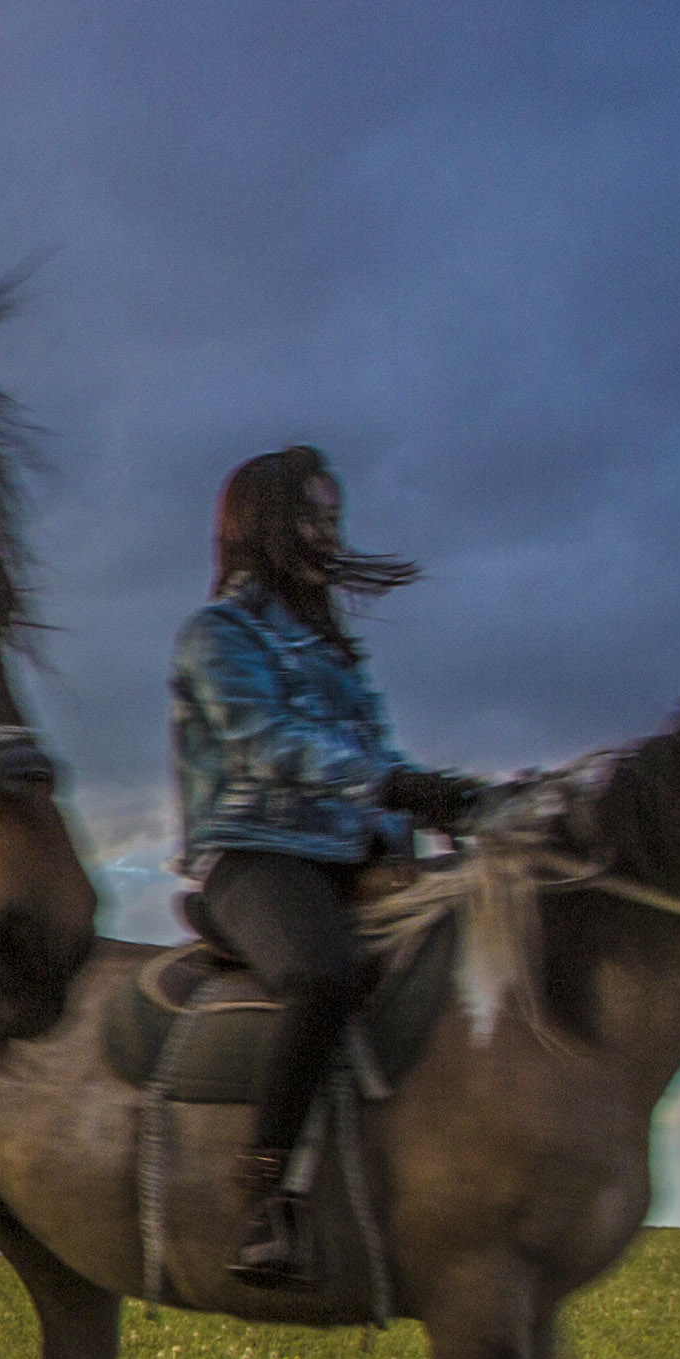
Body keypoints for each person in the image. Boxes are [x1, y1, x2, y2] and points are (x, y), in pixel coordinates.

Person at [169, 447, 484, 1293]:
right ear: (263, 526)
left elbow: (372, 754)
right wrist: (390, 783)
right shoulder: (218, 635)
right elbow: (264, 742)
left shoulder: (335, 652)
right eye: (310, 517)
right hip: (255, 855)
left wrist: (443, 804)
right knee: (322, 975)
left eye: (333, 519)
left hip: (350, 850)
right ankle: (265, 1198)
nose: (326, 534)